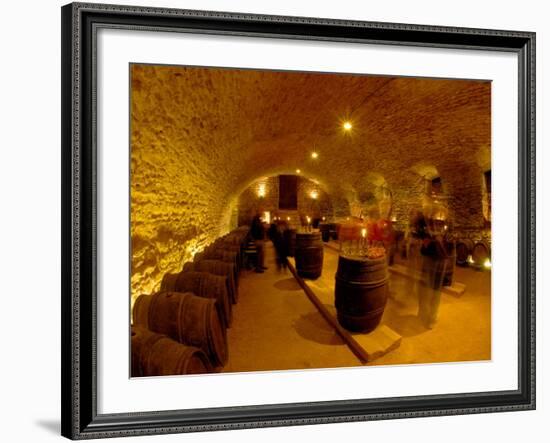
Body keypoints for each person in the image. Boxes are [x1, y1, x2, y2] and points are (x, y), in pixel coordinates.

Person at [417, 220, 448, 329]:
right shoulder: (426, 230)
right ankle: (423, 314)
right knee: (426, 289)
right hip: (429, 262)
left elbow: (445, 249)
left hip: (438, 263)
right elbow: (423, 249)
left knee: (435, 291)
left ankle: (431, 317)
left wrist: (437, 239)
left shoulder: (443, 231)